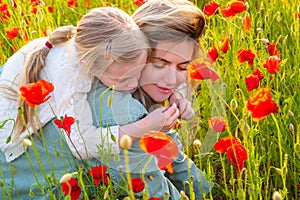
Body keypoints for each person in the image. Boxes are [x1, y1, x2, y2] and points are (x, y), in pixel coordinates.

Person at [0, 6, 159, 198]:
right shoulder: (71, 76)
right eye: (122, 80)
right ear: (88, 65)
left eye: (138, 73)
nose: (134, 85)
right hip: (9, 144)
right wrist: (145, 125)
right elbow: (81, 145)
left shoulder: (92, 46)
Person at [86, 0, 213, 199]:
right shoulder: (121, 110)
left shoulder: (138, 95)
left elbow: (173, 159)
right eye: (159, 64)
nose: (171, 80)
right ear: (136, 53)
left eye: (181, 67)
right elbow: (155, 192)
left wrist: (209, 193)